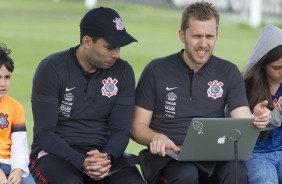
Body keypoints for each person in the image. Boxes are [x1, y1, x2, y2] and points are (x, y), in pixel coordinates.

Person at [131, 1, 271, 184]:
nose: (203, 44)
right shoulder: (156, 70)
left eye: (209, 36)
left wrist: (256, 119)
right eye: (196, 36)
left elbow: (241, 120)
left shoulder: (229, 72)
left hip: (214, 155)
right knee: (186, 174)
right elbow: (137, 126)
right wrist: (156, 137)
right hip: (169, 157)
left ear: (217, 35)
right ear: (182, 35)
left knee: (237, 173)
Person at [29, 7, 145, 184]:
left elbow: (121, 130)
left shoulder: (123, 71)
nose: (116, 54)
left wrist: (107, 157)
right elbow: (44, 134)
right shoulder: (51, 68)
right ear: (87, 41)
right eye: (109, 47)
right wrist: (81, 161)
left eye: (119, 47)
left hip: (103, 157)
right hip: (56, 155)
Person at [243, 24, 282, 184]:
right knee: (265, 180)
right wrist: (277, 114)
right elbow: (241, 127)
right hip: (256, 154)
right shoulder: (245, 86)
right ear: (262, 65)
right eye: (277, 68)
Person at [0, 43, 35, 184]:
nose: (3, 83)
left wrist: (18, 169)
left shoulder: (15, 107)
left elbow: (20, 145)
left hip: (10, 163)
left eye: (7, 77)